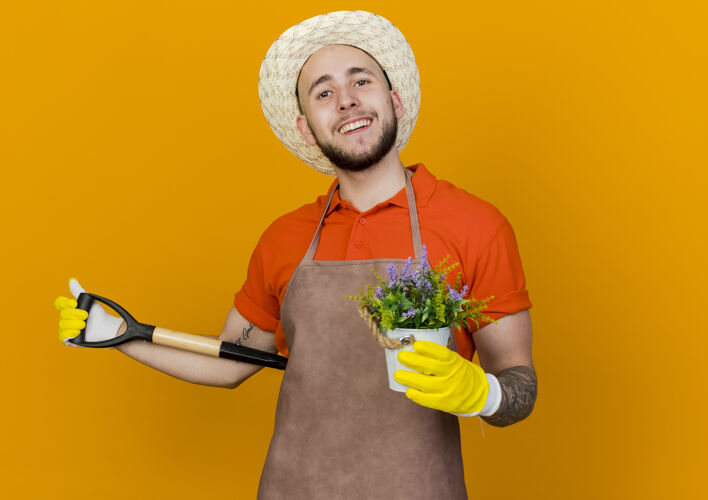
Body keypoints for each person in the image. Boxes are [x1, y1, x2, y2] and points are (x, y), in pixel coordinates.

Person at [55, 11, 536, 499]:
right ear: (308, 129)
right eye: (323, 93)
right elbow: (231, 360)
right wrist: (118, 335)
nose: (346, 100)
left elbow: (520, 384)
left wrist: (485, 393)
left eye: (361, 81)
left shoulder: (475, 224)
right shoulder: (285, 238)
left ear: (394, 99)